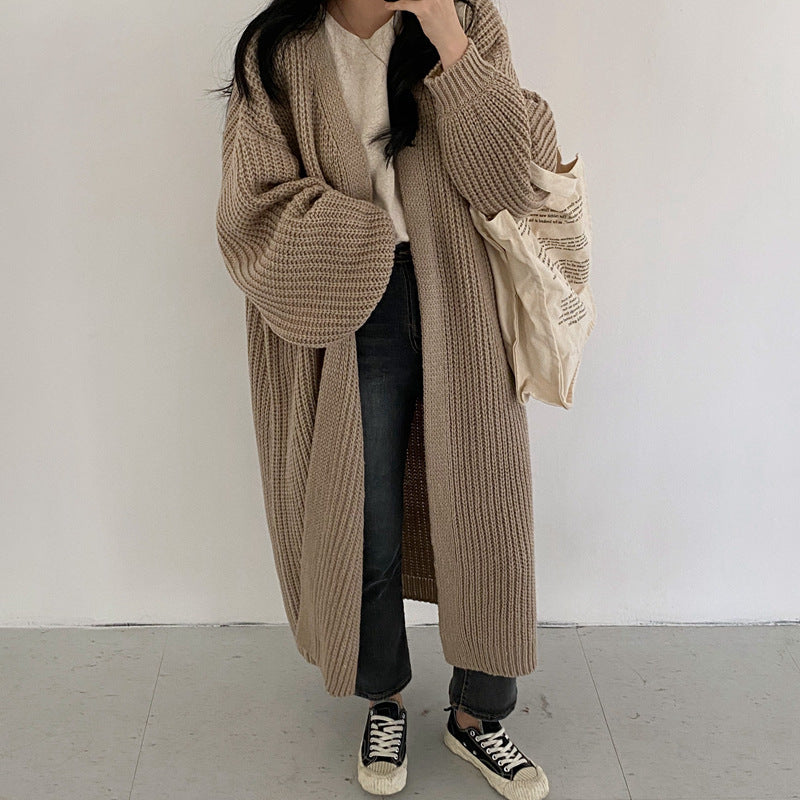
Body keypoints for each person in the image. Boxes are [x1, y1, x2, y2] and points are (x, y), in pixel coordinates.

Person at [215, 0, 561, 797]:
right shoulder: (280, 50)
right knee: (363, 514)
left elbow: (509, 179)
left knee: (485, 508)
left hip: (463, 295)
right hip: (348, 300)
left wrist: (448, 37)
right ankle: (385, 699)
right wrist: (366, 235)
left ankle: (479, 716)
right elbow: (249, 206)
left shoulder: (466, 20)